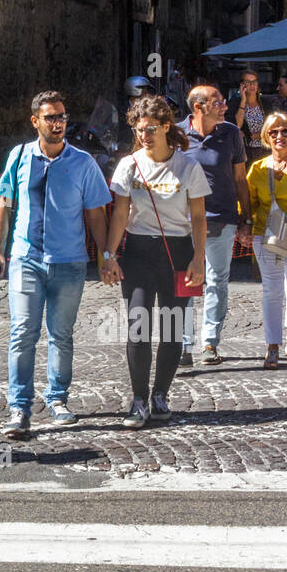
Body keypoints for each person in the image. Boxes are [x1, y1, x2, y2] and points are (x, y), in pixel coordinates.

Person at [0, 90, 112, 439]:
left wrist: (107, 257)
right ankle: (19, 407)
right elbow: (4, 205)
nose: (58, 123)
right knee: (22, 332)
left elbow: (97, 214)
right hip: (26, 259)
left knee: (61, 335)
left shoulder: (83, 162)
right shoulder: (20, 156)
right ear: (35, 121)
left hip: (69, 263)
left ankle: (58, 399)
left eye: (62, 117)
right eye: (51, 117)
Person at [101, 96, 207, 428]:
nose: (144, 134)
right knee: (138, 328)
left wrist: (199, 258)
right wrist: (109, 255)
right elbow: (120, 213)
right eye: (138, 128)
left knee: (173, 329)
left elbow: (199, 216)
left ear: (165, 127)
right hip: (138, 253)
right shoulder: (129, 165)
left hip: (177, 252)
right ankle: (138, 399)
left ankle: (160, 395)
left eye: (150, 129)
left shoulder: (188, 167)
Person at [177, 85, 252, 369]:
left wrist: (246, 219)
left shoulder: (231, 132)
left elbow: (240, 179)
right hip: (183, 222)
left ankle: (210, 342)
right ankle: (183, 345)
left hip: (222, 217)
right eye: (217, 102)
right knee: (184, 284)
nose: (224, 106)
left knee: (217, 282)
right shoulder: (177, 135)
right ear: (198, 107)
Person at [246, 112, 287, 370]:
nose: (279, 136)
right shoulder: (258, 169)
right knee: (272, 291)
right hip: (266, 234)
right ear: (266, 137)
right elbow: (248, 203)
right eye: (273, 132)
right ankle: (272, 344)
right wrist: (245, 225)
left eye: (285, 130)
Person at [227, 69, 277, 168]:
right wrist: (243, 101)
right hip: (244, 152)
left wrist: (249, 135)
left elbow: (272, 128)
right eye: (248, 82)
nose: (252, 85)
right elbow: (237, 126)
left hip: (266, 150)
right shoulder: (235, 103)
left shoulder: (265, 103)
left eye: (254, 81)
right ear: (242, 85)